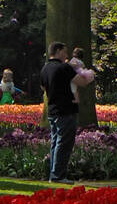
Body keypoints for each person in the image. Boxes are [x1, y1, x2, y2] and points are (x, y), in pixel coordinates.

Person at [39, 42, 95, 183]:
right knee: (64, 143)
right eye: (64, 52)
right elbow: (82, 82)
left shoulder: (45, 68)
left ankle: (54, 174)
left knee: (55, 142)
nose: (67, 55)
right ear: (58, 51)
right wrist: (86, 73)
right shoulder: (64, 67)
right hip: (66, 109)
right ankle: (58, 176)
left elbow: (42, 87)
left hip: (52, 110)